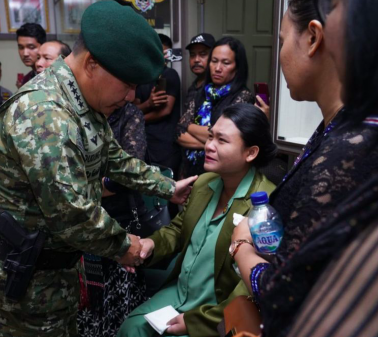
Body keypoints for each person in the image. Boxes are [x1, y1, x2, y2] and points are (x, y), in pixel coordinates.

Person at [0, 2, 197, 336]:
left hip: (55, 269)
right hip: (22, 282)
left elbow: (111, 155)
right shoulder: (45, 115)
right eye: (128, 84)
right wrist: (128, 247)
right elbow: (73, 213)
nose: (133, 97)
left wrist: (165, 186)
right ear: (92, 64)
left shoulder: (81, 100)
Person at [230, 0, 378, 336]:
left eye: (283, 40)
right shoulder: (341, 126)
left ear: (314, 38)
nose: (280, 54)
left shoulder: (351, 145)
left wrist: (241, 247)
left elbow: (284, 294)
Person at [285, 0, 378, 335]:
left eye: (337, 5)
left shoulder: (354, 144)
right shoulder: (347, 130)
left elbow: (290, 298)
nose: (333, 19)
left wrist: (243, 247)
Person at [117, 103, 276, 337]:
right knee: (131, 329)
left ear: (250, 152)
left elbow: (251, 286)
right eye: (210, 136)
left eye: (222, 141)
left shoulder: (265, 204)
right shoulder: (204, 183)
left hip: (219, 305)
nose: (209, 146)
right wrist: (151, 244)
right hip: (181, 292)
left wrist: (196, 321)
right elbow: (179, 229)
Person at [77, 103, 148, 337]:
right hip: (82, 220)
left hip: (120, 217)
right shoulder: (76, 113)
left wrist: (86, 188)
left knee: (119, 298)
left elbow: (128, 174)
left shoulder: (129, 115)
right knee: (86, 297)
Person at [177, 37, 255, 178]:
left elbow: (228, 138)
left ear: (237, 67)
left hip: (220, 176)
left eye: (226, 63)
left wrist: (189, 127)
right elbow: (178, 132)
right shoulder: (201, 92)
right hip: (190, 170)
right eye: (214, 61)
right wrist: (212, 142)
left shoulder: (243, 97)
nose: (218, 68)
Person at [135, 33, 182, 175]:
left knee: (166, 187)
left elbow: (165, 111)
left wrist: (139, 119)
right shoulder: (141, 77)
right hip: (144, 141)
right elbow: (134, 108)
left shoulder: (170, 74)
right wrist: (148, 103)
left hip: (165, 144)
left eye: (165, 53)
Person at [184, 33, 215, 112]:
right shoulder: (193, 87)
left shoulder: (217, 89)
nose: (196, 60)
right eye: (192, 54)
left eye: (203, 54)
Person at [16, 22, 46, 87]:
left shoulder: (53, 75)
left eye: (31, 47)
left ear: (43, 46)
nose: (25, 53)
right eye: (21, 47)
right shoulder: (26, 79)